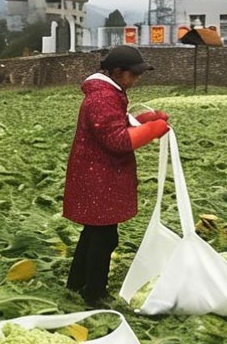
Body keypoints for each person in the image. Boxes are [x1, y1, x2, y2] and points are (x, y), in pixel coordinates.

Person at [63, 45, 170, 305]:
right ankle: (94, 292)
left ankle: (76, 284)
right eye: (133, 75)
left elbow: (117, 122)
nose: (135, 80)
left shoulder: (109, 93)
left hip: (98, 175)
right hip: (98, 177)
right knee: (103, 237)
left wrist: (145, 120)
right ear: (117, 71)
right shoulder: (100, 98)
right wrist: (153, 130)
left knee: (93, 233)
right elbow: (117, 140)